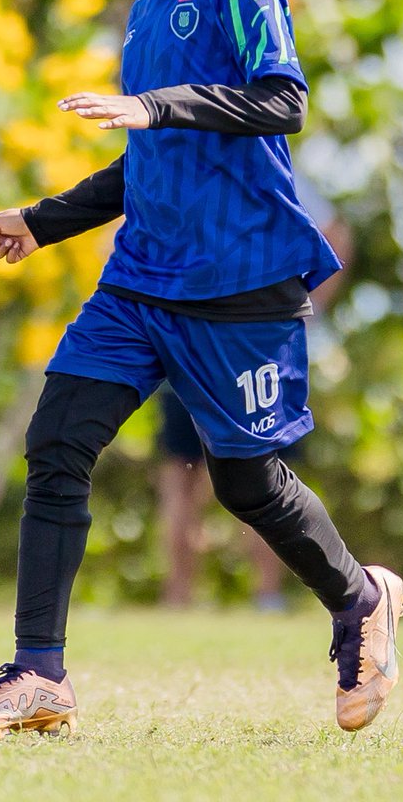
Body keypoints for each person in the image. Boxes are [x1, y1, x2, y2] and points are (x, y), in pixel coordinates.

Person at [0, 0, 403, 739]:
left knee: (246, 484)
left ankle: (362, 602)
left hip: (238, 286)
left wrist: (161, 106)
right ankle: (40, 674)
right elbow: (147, 162)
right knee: (58, 443)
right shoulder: (149, 10)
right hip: (139, 284)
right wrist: (41, 222)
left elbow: (280, 102)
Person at [157, 171, 354, 611]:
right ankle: (178, 595)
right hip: (191, 345)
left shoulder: (283, 175)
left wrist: (308, 307)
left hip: (262, 349)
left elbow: (336, 234)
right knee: (182, 475)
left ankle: (266, 595)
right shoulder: (185, 173)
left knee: (267, 473)